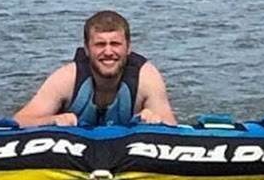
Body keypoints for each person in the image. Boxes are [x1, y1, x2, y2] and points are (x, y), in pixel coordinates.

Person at [14, 10, 177, 128]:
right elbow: (20, 121)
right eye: (100, 44)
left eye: (115, 44)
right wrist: (52, 120)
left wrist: (155, 121)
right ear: (86, 49)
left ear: (128, 48)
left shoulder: (146, 78)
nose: (108, 52)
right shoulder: (67, 78)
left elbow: (172, 128)